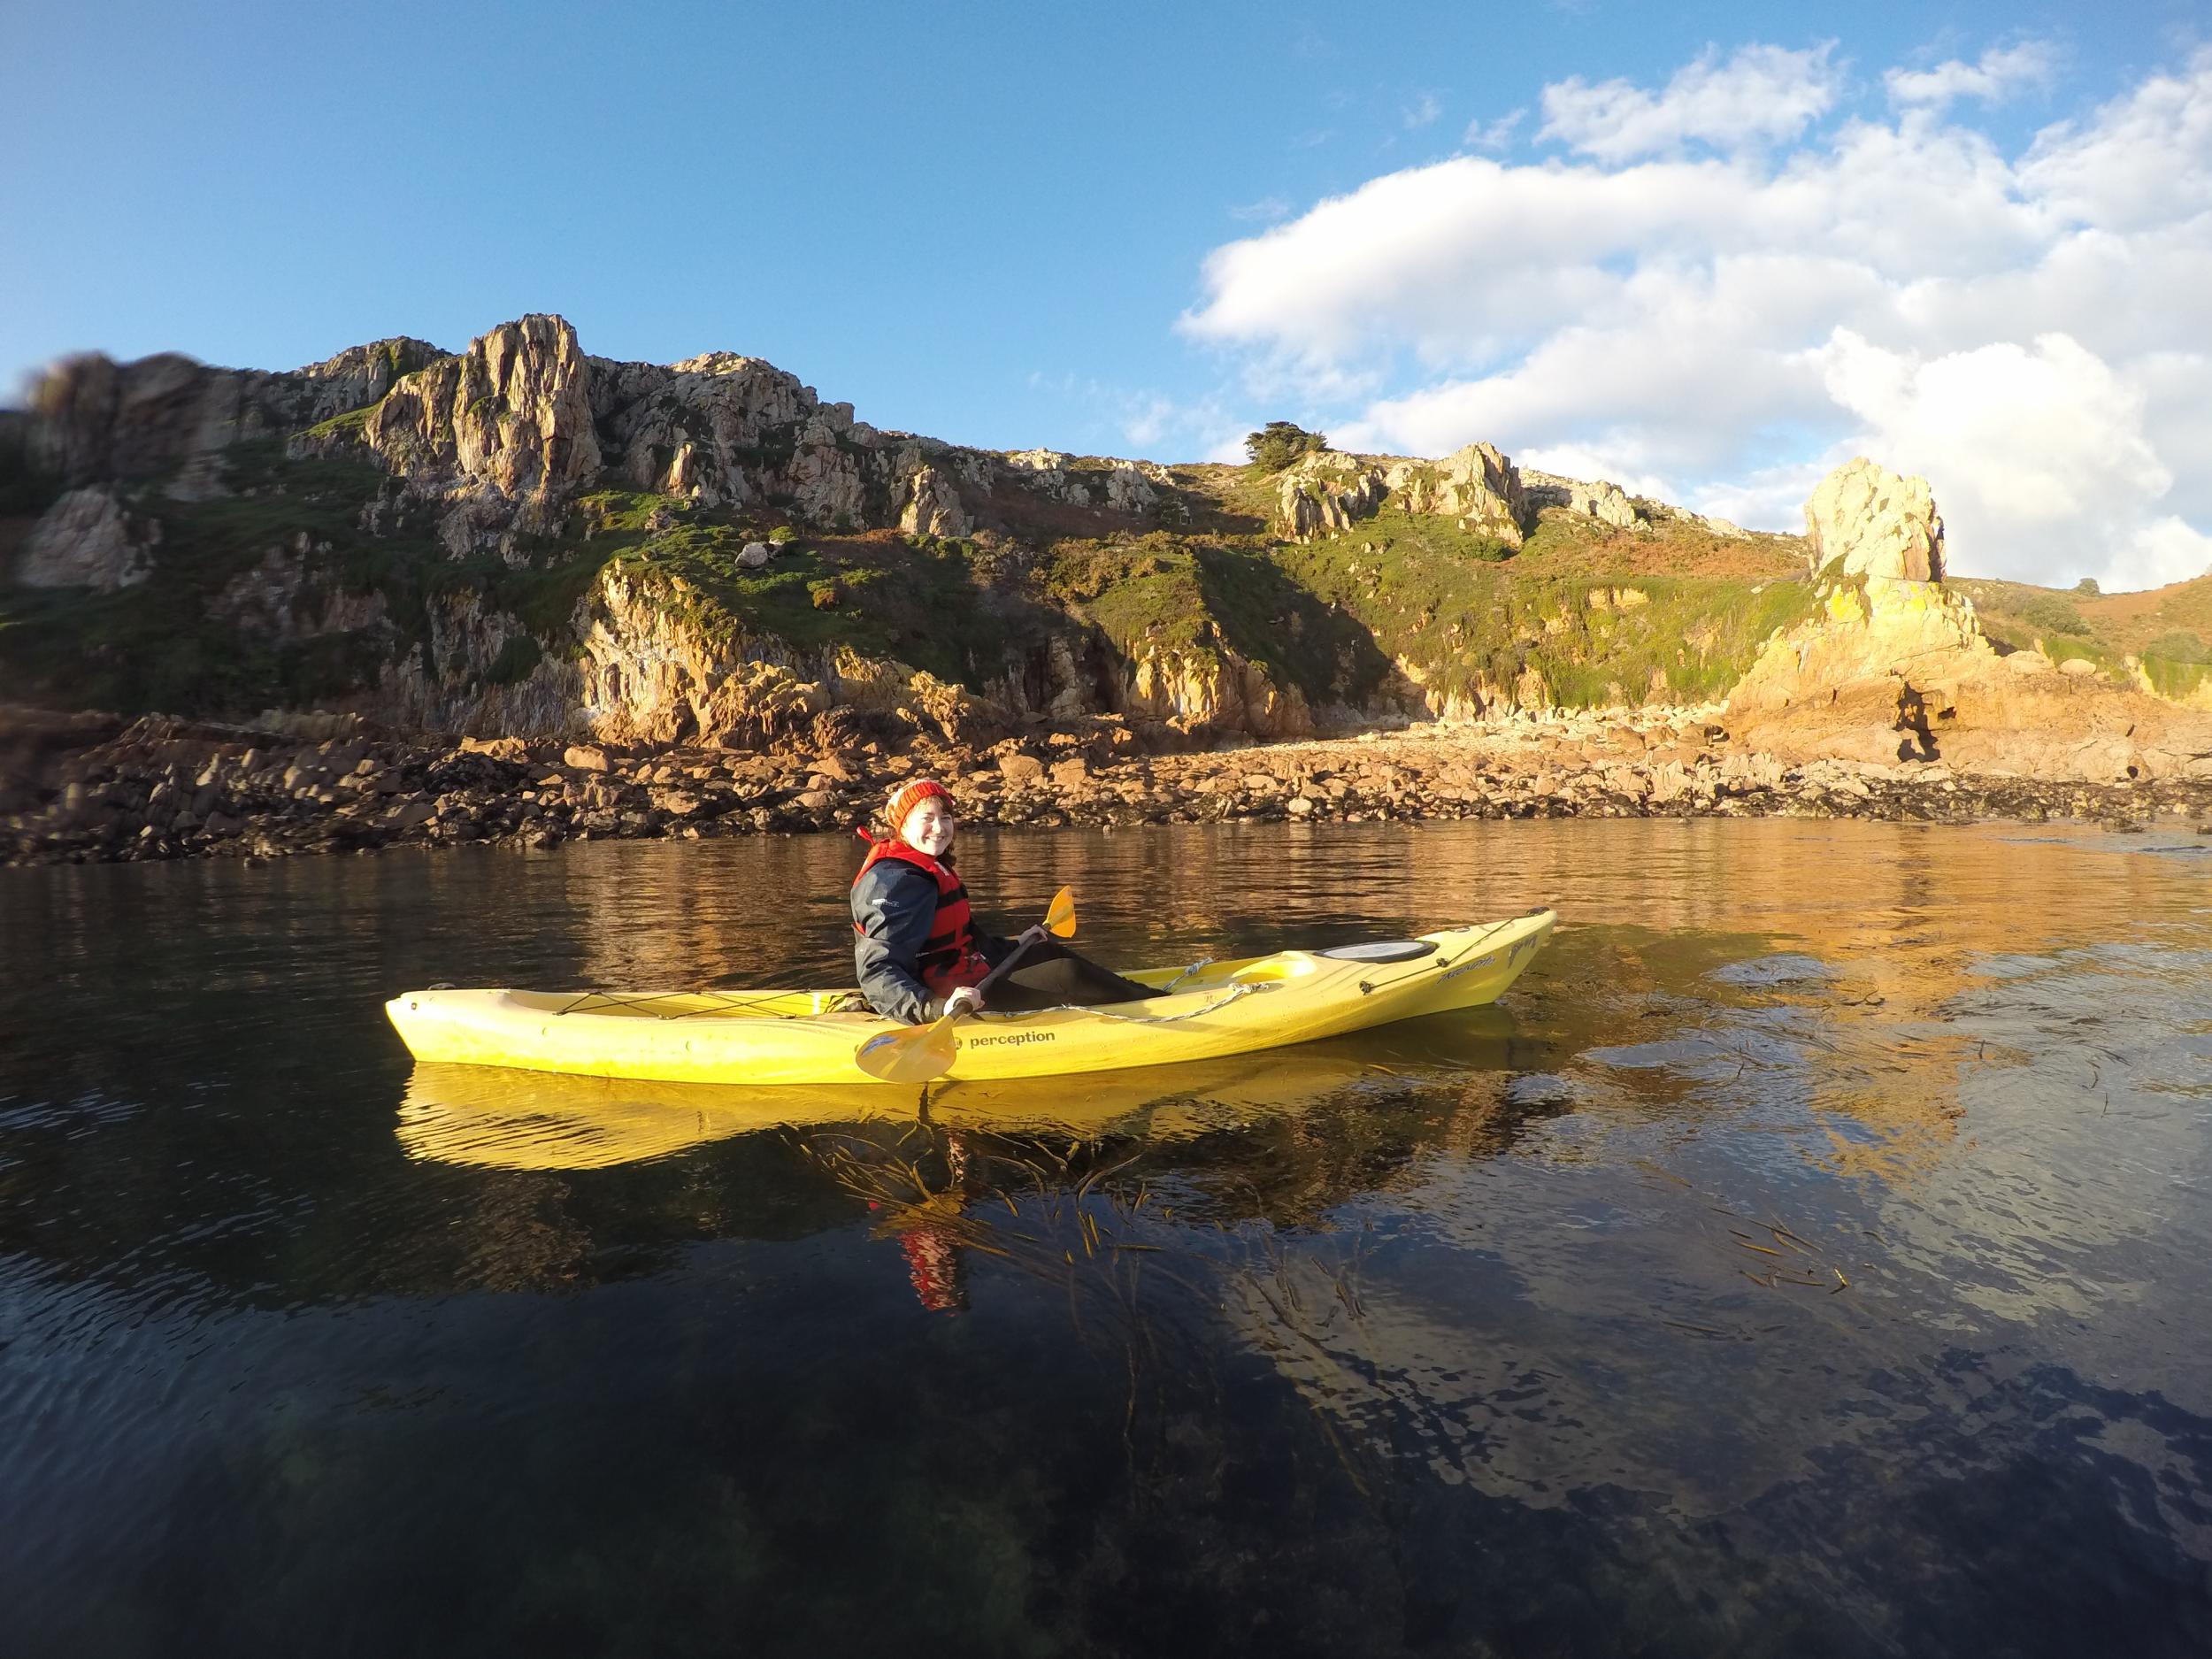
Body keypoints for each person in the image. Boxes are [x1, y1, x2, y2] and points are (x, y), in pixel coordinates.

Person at [849, 778, 1154, 1025]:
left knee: (1044, 950)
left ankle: (1142, 996)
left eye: (945, 817)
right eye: (927, 819)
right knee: (1065, 974)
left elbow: (964, 939)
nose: (940, 828)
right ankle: (1153, 1009)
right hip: (949, 999)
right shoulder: (895, 882)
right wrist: (935, 1008)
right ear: (902, 827)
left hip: (965, 976)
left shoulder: (927, 865)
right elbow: (877, 968)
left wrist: (1013, 945)